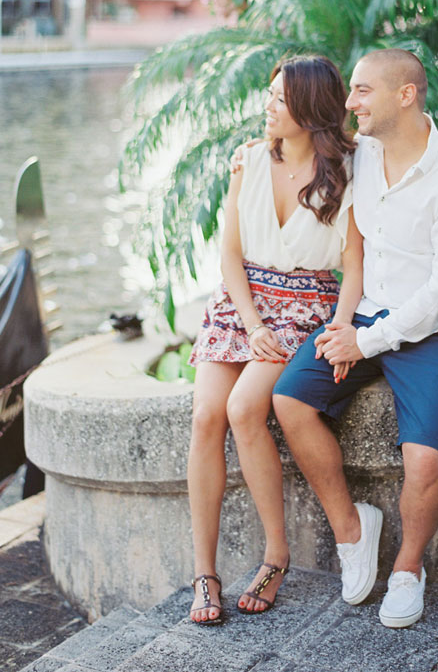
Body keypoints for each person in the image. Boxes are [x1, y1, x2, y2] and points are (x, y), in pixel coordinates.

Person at [272, 48, 438, 629]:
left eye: (363, 91)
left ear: (406, 95)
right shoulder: (361, 156)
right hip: (368, 313)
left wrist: (365, 344)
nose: (350, 102)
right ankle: (353, 528)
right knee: (289, 399)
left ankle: (407, 570)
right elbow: (301, 157)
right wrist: (258, 154)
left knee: (423, 460)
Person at [187, 56, 363, 625]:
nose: (268, 107)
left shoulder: (346, 172)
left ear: (309, 110)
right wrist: (253, 322)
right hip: (244, 303)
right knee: (205, 416)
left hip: (306, 304)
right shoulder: (249, 160)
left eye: (279, 100)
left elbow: (353, 267)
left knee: (244, 408)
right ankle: (205, 573)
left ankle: (275, 556)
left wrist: (342, 327)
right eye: (269, 95)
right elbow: (229, 256)